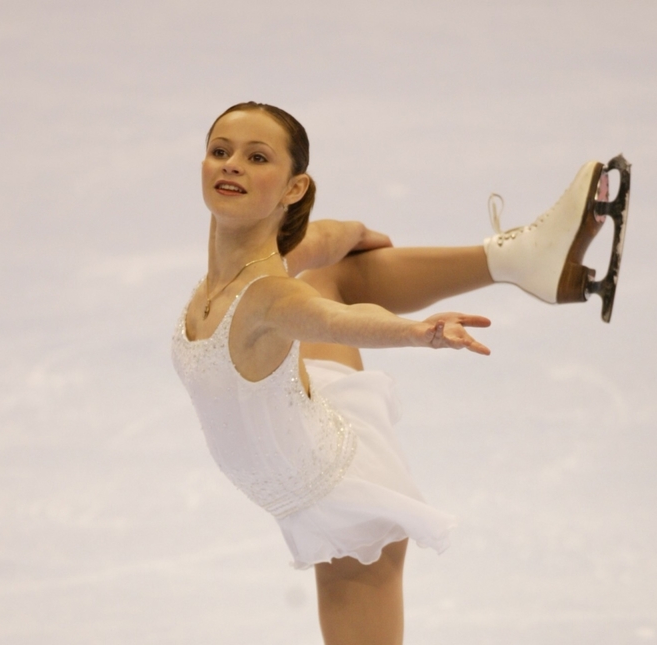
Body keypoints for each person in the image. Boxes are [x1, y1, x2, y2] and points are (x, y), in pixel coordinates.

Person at [171, 101, 613, 645]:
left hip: (343, 498)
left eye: (256, 157)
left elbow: (339, 320)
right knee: (332, 271)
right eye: (220, 151)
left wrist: (416, 331)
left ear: (294, 188)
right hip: (308, 416)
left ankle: (530, 259)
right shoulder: (255, 270)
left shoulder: (271, 296)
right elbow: (323, 244)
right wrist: (359, 232)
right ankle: (522, 257)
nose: (231, 164)